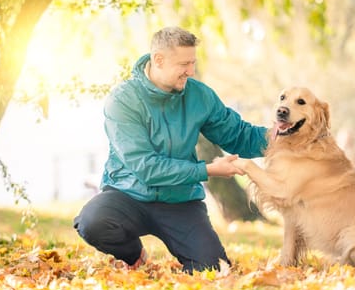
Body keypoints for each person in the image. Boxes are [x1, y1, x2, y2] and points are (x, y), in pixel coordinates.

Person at [73, 26, 268, 273]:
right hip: (127, 194)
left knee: (213, 269)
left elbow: (239, 135)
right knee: (93, 223)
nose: (191, 71)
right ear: (159, 60)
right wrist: (207, 170)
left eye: (193, 63)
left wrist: (283, 138)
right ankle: (133, 255)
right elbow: (146, 168)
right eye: (184, 64)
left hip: (179, 200)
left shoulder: (199, 95)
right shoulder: (123, 100)